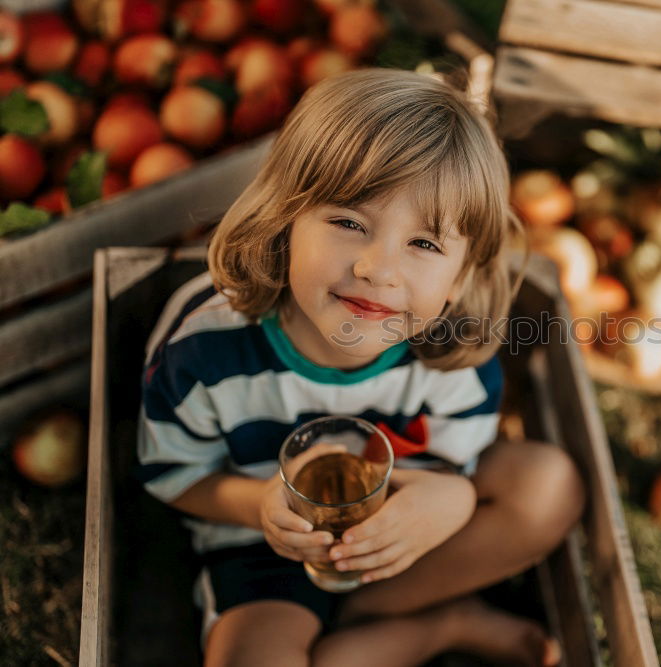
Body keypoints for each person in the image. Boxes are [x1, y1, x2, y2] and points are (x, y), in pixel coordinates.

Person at [137, 68, 584, 667]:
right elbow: (175, 475)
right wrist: (260, 504)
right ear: (285, 220)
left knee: (549, 488)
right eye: (349, 223)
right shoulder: (202, 354)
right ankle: (421, 632)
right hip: (269, 551)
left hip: (403, 541)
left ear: (460, 281)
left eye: (424, 244)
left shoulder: (452, 362)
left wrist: (451, 498)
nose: (379, 269)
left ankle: (385, 625)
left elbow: (458, 466)